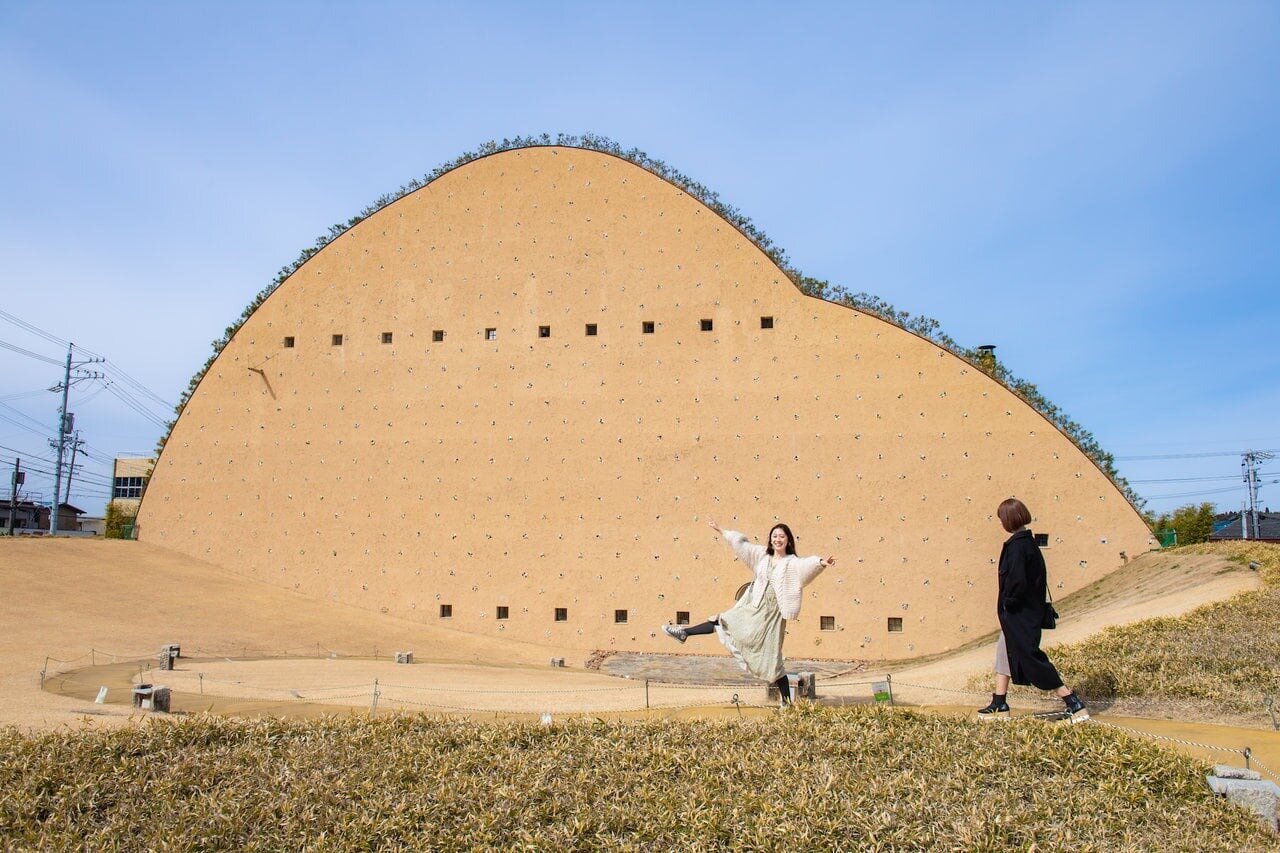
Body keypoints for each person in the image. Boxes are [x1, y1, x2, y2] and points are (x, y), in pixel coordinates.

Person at [662, 518, 835, 706]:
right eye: (774, 536)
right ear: (770, 539)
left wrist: (820, 563)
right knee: (723, 619)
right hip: (753, 606)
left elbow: (806, 566)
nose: (777, 539)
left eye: (781, 536)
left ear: (788, 540)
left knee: (773, 659)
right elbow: (742, 545)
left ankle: (786, 704)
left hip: (773, 615)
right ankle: (684, 633)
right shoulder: (762, 555)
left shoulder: (792, 562)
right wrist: (722, 530)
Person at [978, 498, 1089, 721]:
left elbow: (1017, 581)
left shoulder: (1018, 546)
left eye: (1001, 518)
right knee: (1004, 652)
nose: (1000, 523)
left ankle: (1072, 702)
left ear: (1009, 519)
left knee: (1031, 658)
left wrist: (1008, 602)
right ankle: (999, 703)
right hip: (1019, 614)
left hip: (1020, 614)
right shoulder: (1027, 543)